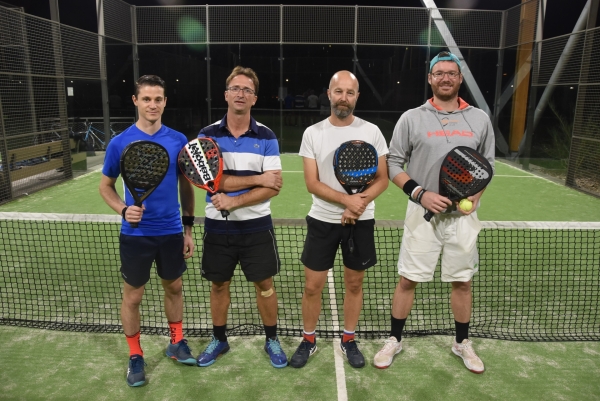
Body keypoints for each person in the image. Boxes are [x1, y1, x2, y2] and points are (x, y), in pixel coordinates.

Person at [374, 51, 495, 373]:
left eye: (451, 73)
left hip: (463, 219)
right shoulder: (412, 118)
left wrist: (473, 199)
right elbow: (393, 163)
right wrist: (420, 194)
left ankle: (462, 343)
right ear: (430, 78)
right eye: (439, 73)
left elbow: (488, 166)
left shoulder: (480, 119)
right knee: (408, 280)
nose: (445, 78)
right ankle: (394, 339)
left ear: (459, 78)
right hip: (421, 215)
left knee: (463, 281)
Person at [99, 75, 196, 387]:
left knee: (175, 288)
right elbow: (106, 187)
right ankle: (135, 355)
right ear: (135, 101)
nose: (152, 105)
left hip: (170, 232)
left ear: (165, 102)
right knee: (134, 295)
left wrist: (188, 229)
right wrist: (123, 209)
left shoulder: (179, 140)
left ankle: (176, 343)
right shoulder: (119, 143)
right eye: (146, 99)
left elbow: (186, 188)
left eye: (158, 99)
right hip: (135, 234)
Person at [290, 70, 389, 369]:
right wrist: (347, 200)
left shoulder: (372, 131)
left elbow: (382, 179)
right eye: (338, 91)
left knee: (355, 284)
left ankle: (348, 338)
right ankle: (309, 339)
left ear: (357, 96)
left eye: (350, 92)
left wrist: (357, 206)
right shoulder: (313, 133)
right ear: (329, 94)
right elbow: (312, 182)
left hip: (361, 221)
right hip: (322, 219)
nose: (343, 97)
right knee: (312, 286)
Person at [195, 66, 287, 368]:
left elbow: (273, 186)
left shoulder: (267, 136)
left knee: (265, 285)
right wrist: (258, 179)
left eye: (247, 90)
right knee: (219, 285)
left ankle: (271, 339)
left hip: (257, 228)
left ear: (254, 98)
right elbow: (211, 181)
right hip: (217, 228)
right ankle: (219, 339)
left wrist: (235, 200)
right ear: (226, 94)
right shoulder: (206, 135)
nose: (240, 94)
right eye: (235, 88)